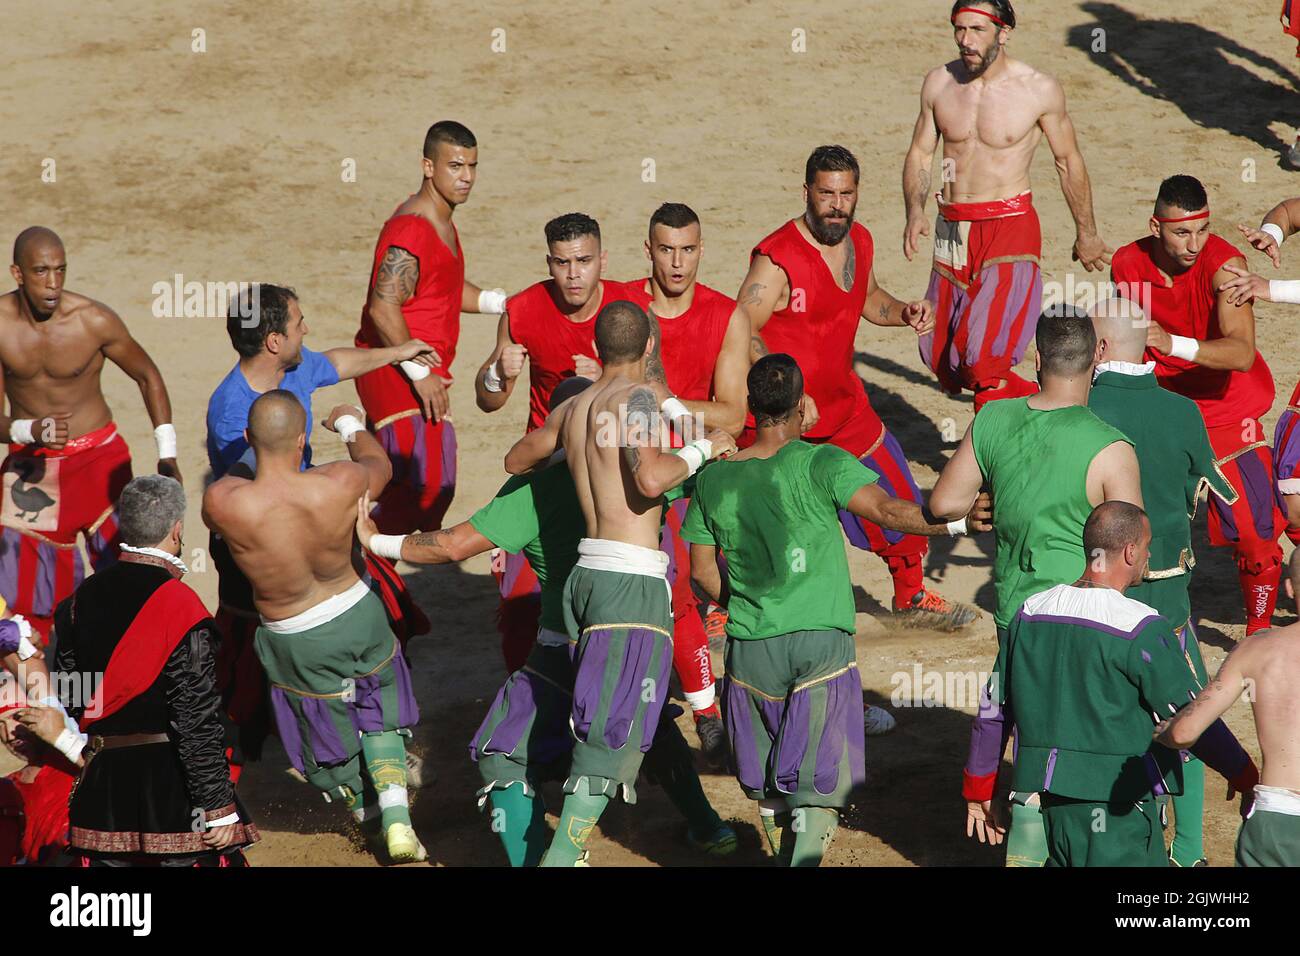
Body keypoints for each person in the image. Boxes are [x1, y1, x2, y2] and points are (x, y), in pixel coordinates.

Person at [359, 376, 738, 864]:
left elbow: (452, 545)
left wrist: (377, 541)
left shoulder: (530, 490)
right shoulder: (643, 469)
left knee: (503, 753)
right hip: (636, 625)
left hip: (565, 636)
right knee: (643, 720)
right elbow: (700, 467)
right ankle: (708, 826)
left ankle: (538, 856)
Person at [682, 354, 991, 866]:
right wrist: (958, 526)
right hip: (820, 649)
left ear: (751, 408)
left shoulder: (713, 481)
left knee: (769, 789)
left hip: (750, 653)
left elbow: (701, 573)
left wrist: (748, 606)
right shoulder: (823, 463)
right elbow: (891, 512)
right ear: (802, 406)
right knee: (818, 790)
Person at [473, 211, 730, 759]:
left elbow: (655, 388)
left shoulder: (625, 315)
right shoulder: (521, 311)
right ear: (549, 263)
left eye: (584, 261)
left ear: (602, 261)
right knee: (523, 602)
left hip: (622, 472)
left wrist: (624, 392)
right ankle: (545, 711)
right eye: (563, 263)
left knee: (674, 588)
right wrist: (500, 375)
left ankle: (703, 710)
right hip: (550, 475)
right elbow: (488, 399)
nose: (573, 275)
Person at [502, 300, 736, 865]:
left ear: (599, 349)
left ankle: (704, 823)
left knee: (640, 706)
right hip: (628, 583)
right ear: (650, 349)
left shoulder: (576, 405)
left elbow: (515, 459)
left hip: (583, 581)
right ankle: (561, 857)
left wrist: (576, 457)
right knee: (618, 728)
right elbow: (652, 477)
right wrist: (705, 449)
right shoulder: (640, 398)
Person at [737, 144, 977, 641]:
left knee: (896, 490)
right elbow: (743, 326)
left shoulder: (860, 241)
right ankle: (726, 608)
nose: (837, 204)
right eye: (826, 193)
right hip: (783, 420)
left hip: (845, 410)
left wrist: (904, 312)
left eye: (846, 194)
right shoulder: (776, 258)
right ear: (806, 192)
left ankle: (911, 594)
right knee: (755, 521)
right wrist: (784, 385)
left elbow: (867, 299)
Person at [929, 305, 1141, 865]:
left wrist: (985, 503)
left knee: (1024, 727)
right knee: (1084, 738)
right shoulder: (1112, 445)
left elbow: (943, 503)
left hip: (1020, 614)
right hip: (1089, 618)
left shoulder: (995, 419)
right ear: (1098, 355)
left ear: (1036, 356)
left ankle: (1024, 829)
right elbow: (1132, 549)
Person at [205, 283, 432, 766]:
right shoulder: (231, 412)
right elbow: (265, 499)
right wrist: (326, 494)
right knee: (265, 655)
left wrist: (397, 352)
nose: (305, 328)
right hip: (266, 544)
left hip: (309, 517)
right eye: (297, 322)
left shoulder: (292, 366)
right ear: (272, 342)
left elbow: (335, 363)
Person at [202, 392, 423, 863]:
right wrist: (347, 424)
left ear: (246, 438)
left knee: (324, 726)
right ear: (303, 439)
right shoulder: (340, 480)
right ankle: (398, 815)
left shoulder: (223, 502)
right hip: (357, 612)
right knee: (378, 708)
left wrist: (255, 452)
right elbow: (378, 463)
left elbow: (235, 479)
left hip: (292, 634)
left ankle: (368, 816)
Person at [986, 502, 1258, 866]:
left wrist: (978, 780)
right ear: (1130, 551)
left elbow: (993, 706)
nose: (1148, 555)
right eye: (1146, 546)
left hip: (1053, 802)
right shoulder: (1141, 626)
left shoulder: (1031, 610)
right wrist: (1241, 770)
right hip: (1117, 809)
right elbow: (1192, 714)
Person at [16, 476, 258, 866]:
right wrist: (217, 805)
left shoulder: (76, 604)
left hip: (105, 792)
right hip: (174, 790)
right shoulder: (182, 606)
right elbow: (194, 716)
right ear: (177, 531)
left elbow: (74, 698)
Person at [1087, 296, 1237, 866]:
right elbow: (1218, 491)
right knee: (1189, 718)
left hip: (1099, 600)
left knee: (1107, 721)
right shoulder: (1183, 412)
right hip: (1169, 604)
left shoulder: (1082, 408)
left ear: (1099, 349)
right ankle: (1190, 851)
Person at [903, 1, 1110, 409]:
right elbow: (920, 155)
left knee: (984, 357)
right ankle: (1035, 402)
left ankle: (1008, 444)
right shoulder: (939, 84)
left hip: (1010, 223)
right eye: (959, 29)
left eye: (977, 30)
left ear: (1004, 32)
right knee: (942, 354)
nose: (966, 41)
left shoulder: (1038, 89)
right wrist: (915, 210)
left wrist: (1086, 231)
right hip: (953, 228)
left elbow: (1067, 161)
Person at [1111, 175, 1284, 635]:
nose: (1194, 243)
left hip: (1227, 407)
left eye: (1202, 230)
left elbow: (1241, 352)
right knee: (1132, 523)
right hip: (1163, 409)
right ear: (1155, 226)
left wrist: (1171, 343)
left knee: (1256, 535)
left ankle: (1258, 630)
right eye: (1182, 232)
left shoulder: (1226, 268)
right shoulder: (1126, 263)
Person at [0, 227, 181, 641]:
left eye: (60, 270)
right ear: (17, 273)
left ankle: (136, 675)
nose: (53, 283)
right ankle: (43, 693)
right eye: (41, 271)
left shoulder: (92, 320)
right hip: (33, 469)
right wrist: (29, 429)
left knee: (133, 575)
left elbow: (146, 374)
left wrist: (166, 453)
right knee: (26, 597)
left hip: (100, 460)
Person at [620, 203, 750, 761]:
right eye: (667, 250)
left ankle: (732, 702)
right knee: (673, 598)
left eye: (688, 250)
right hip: (639, 472)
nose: (677, 263)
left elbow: (735, 416)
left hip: (699, 478)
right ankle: (706, 712)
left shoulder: (727, 315)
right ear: (648, 250)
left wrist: (655, 402)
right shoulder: (621, 306)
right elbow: (716, 414)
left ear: (702, 249)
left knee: (696, 595)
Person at [353, 120, 508, 536]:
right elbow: (383, 307)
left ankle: (379, 581)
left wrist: (503, 303)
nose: (467, 177)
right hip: (396, 374)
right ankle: (356, 560)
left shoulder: (442, 221)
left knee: (419, 490)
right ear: (427, 166)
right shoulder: (411, 228)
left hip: (413, 372)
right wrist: (419, 373)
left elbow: (442, 288)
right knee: (427, 485)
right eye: (455, 166)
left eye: (472, 166)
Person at [1158, 550, 1300, 866]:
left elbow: (1185, 731)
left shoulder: (1258, 649)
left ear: (1288, 588)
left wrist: (1165, 733)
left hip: (1277, 818)